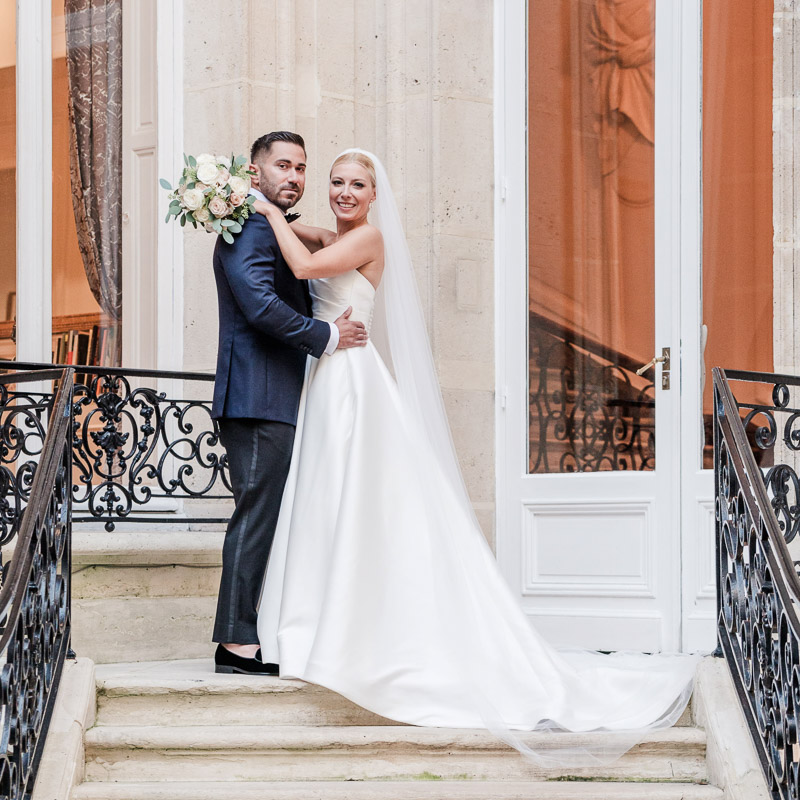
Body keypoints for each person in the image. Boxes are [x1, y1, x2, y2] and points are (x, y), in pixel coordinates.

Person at [253, 148, 699, 765]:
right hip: (329, 378)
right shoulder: (336, 232)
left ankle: (350, 637)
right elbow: (303, 231)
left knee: (356, 497)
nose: (345, 192)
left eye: (358, 184)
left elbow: (301, 264)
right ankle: (315, 626)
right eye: (338, 182)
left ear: (376, 194)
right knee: (326, 499)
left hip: (354, 380)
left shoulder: (369, 240)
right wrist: (249, 195)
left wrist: (261, 208)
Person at [210, 132, 368, 677]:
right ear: (256, 173)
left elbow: (312, 250)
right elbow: (258, 304)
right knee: (256, 516)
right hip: (258, 394)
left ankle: (259, 631)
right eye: (283, 165)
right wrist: (325, 335)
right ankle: (235, 643)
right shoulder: (248, 225)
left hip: (282, 392)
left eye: (302, 167)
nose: (295, 176)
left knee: (271, 514)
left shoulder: (268, 222)